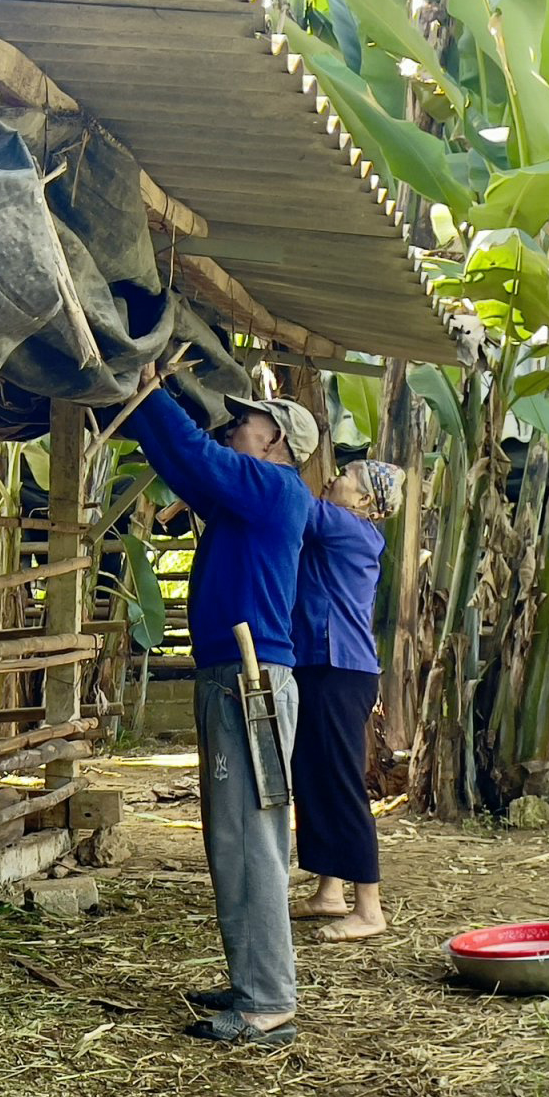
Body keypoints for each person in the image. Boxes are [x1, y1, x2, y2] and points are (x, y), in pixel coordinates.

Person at [123, 375, 317, 1046]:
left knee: (247, 838)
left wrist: (143, 388)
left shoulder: (273, 487)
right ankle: (254, 980)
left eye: (247, 422)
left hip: (249, 681)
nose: (233, 427)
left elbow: (194, 457)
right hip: (236, 675)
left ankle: (266, 1001)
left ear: (279, 440)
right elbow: (184, 463)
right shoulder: (248, 500)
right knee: (234, 836)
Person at [290, 458, 404, 943]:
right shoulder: (346, 527)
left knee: (339, 782)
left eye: (346, 477)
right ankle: (329, 891)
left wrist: (273, 460)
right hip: (326, 665)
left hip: (340, 669)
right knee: (314, 777)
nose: (333, 477)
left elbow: (292, 503)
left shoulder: (345, 526)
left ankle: (370, 908)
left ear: (363, 501)